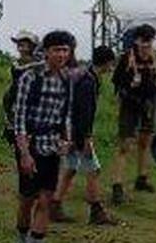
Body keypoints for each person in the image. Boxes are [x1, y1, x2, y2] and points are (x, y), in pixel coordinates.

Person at [11, 30, 74, 243]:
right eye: (57, 50)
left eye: (65, 50)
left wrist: (67, 139)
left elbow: (65, 113)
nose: (62, 55)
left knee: (47, 198)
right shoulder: (31, 77)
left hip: (53, 146)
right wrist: (24, 153)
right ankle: (22, 235)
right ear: (46, 52)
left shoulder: (67, 80)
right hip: (31, 144)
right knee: (27, 199)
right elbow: (19, 117)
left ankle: (36, 239)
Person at [50, 44, 119, 225]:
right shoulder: (88, 82)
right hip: (77, 131)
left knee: (71, 167)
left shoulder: (86, 75)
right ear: (107, 62)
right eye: (111, 63)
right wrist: (86, 139)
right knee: (93, 169)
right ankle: (96, 211)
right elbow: (84, 113)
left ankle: (55, 205)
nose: (112, 67)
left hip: (68, 128)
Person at [109, 23, 156, 204]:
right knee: (125, 144)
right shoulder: (126, 58)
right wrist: (129, 84)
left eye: (150, 41)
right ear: (137, 41)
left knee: (145, 142)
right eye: (143, 41)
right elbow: (116, 82)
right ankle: (117, 185)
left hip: (149, 104)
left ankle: (142, 178)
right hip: (130, 104)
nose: (147, 45)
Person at [2, 30, 42, 145]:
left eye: (24, 44)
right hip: (16, 96)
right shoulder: (16, 63)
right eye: (19, 44)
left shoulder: (39, 64)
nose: (21, 47)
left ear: (31, 46)